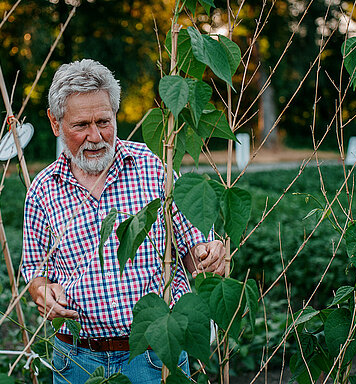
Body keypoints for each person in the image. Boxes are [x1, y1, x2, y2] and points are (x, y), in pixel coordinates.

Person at [21, 59, 225, 384]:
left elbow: (191, 249)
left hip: (154, 353)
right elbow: (34, 271)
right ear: (55, 122)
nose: (95, 136)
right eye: (80, 125)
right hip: (77, 361)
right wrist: (43, 292)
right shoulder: (43, 190)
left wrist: (207, 253)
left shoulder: (152, 167)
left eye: (104, 121)